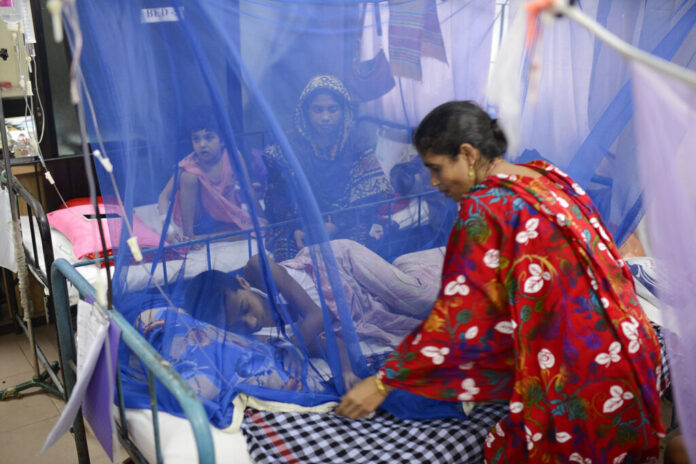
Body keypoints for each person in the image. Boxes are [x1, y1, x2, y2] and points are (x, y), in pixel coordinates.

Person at [336, 101, 665, 462]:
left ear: (467, 154)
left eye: (436, 168)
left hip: (584, 373)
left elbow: (455, 317)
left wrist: (384, 382)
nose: (433, 182)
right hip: (632, 347)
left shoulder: (484, 207)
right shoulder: (546, 175)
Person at [184, 239, 445, 387]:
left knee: (424, 298)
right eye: (238, 326)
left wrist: (294, 344)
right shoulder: (264, 337)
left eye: (245, 308)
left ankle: (425, 262)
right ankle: (406, 268)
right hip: (359, 300)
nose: (251, 321)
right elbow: (332, 342)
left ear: (242, 283)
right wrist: (346, 373)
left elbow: (316, 316)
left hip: (340, 263)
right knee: (426, 316)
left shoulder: (257, 270)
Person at [263, 75, 394, 261]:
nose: (326, 117)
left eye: (332, 109)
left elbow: (369, 196)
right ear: (306, 111)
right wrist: (295, 229)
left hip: (345, 220)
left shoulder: (356, 141)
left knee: (354, 252)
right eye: (318, 110)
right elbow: (276, 197)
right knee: (291, 257)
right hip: (299, 221)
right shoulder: (289, 144)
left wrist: (334, 226)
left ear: (344, 110)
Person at [158, 108, 266, 244]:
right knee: (188, 177)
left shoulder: (233, 156)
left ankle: (202, 240)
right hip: (199, 221)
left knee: (256, 230)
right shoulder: (189, 163)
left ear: (222, 141)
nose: (202, 145)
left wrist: (263, 218)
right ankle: (189, 236)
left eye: (209, 138)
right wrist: (166, 225)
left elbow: (248, 189)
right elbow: (163, 196)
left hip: (226, 217)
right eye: (196, 139)